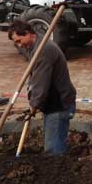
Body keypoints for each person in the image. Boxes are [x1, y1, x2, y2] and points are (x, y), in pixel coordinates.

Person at [8, 18, 77, 154]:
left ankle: (57, 170)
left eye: (18, 41)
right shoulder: (34, 45)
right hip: (53, 102)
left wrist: (34, 104)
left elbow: (41, 82)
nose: (19, 45)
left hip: (59, 103)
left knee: (53, 149)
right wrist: (32, 96)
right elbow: (33, 76)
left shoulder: (43, 50)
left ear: (27, 33)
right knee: (52, 140)